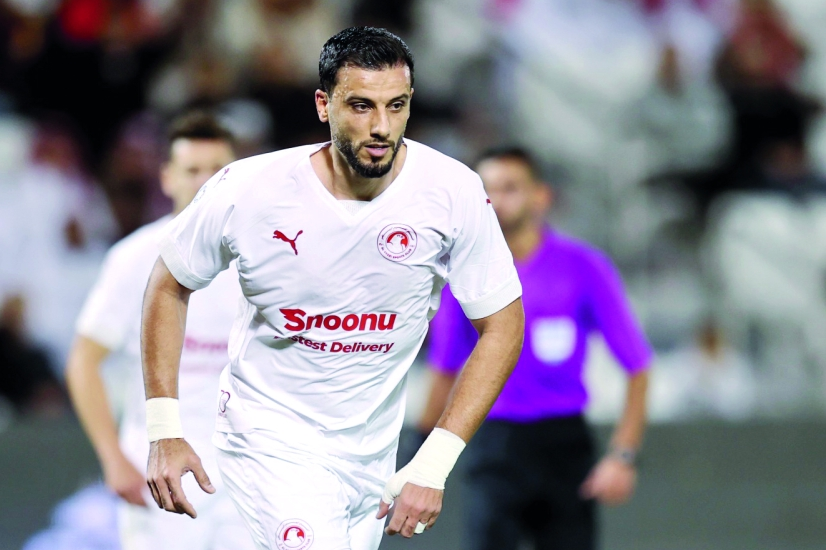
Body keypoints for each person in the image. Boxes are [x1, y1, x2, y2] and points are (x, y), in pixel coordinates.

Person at [140, 27, 525, 550]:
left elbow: (503, 324)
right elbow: (168, 284)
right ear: (324, 105)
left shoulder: (451, 191)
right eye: (361, 106)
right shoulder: (249, 190)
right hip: (268, 440)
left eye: (396, 106)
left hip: (371, 458)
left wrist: (434, 462)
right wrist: (163, 429)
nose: (381, 126)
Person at [418, 147, 652, 550]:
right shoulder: (464, 275)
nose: (496, 201)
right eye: (487, 191)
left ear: (540, 196)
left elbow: (637, 365)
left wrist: (623, 456)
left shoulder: (583, 267)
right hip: (493, 444)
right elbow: (444, 371)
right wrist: (419, 456)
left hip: (564, 445)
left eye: (509, 188)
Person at [65, 112, 256, 550]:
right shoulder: (134, 258)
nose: (205, 181)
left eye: (217, 170)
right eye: (192, 169)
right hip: (163, 472)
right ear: (167, 178)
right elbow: (83, 361)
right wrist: (113, 458)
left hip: (246, 472)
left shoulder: (262, 257)